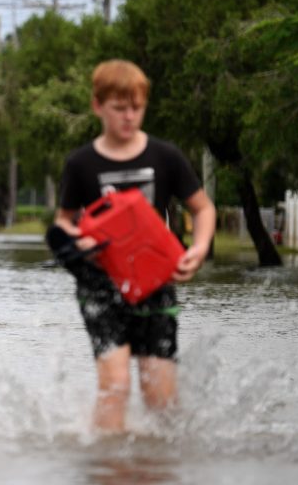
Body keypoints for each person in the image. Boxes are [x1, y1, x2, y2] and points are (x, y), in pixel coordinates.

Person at [52, 59, 216, 433]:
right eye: (119, 108)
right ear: (98, 105)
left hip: (155, 281)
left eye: (137, 108)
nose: (129, 117)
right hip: (99, 286)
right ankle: (109, 472)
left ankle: (156, 473)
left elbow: (203, 207)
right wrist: (80, 240)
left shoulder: (165, 156)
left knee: (159, 395)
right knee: (116, 385)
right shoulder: (80, 163)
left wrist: (200, 248)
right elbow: (63, 220)